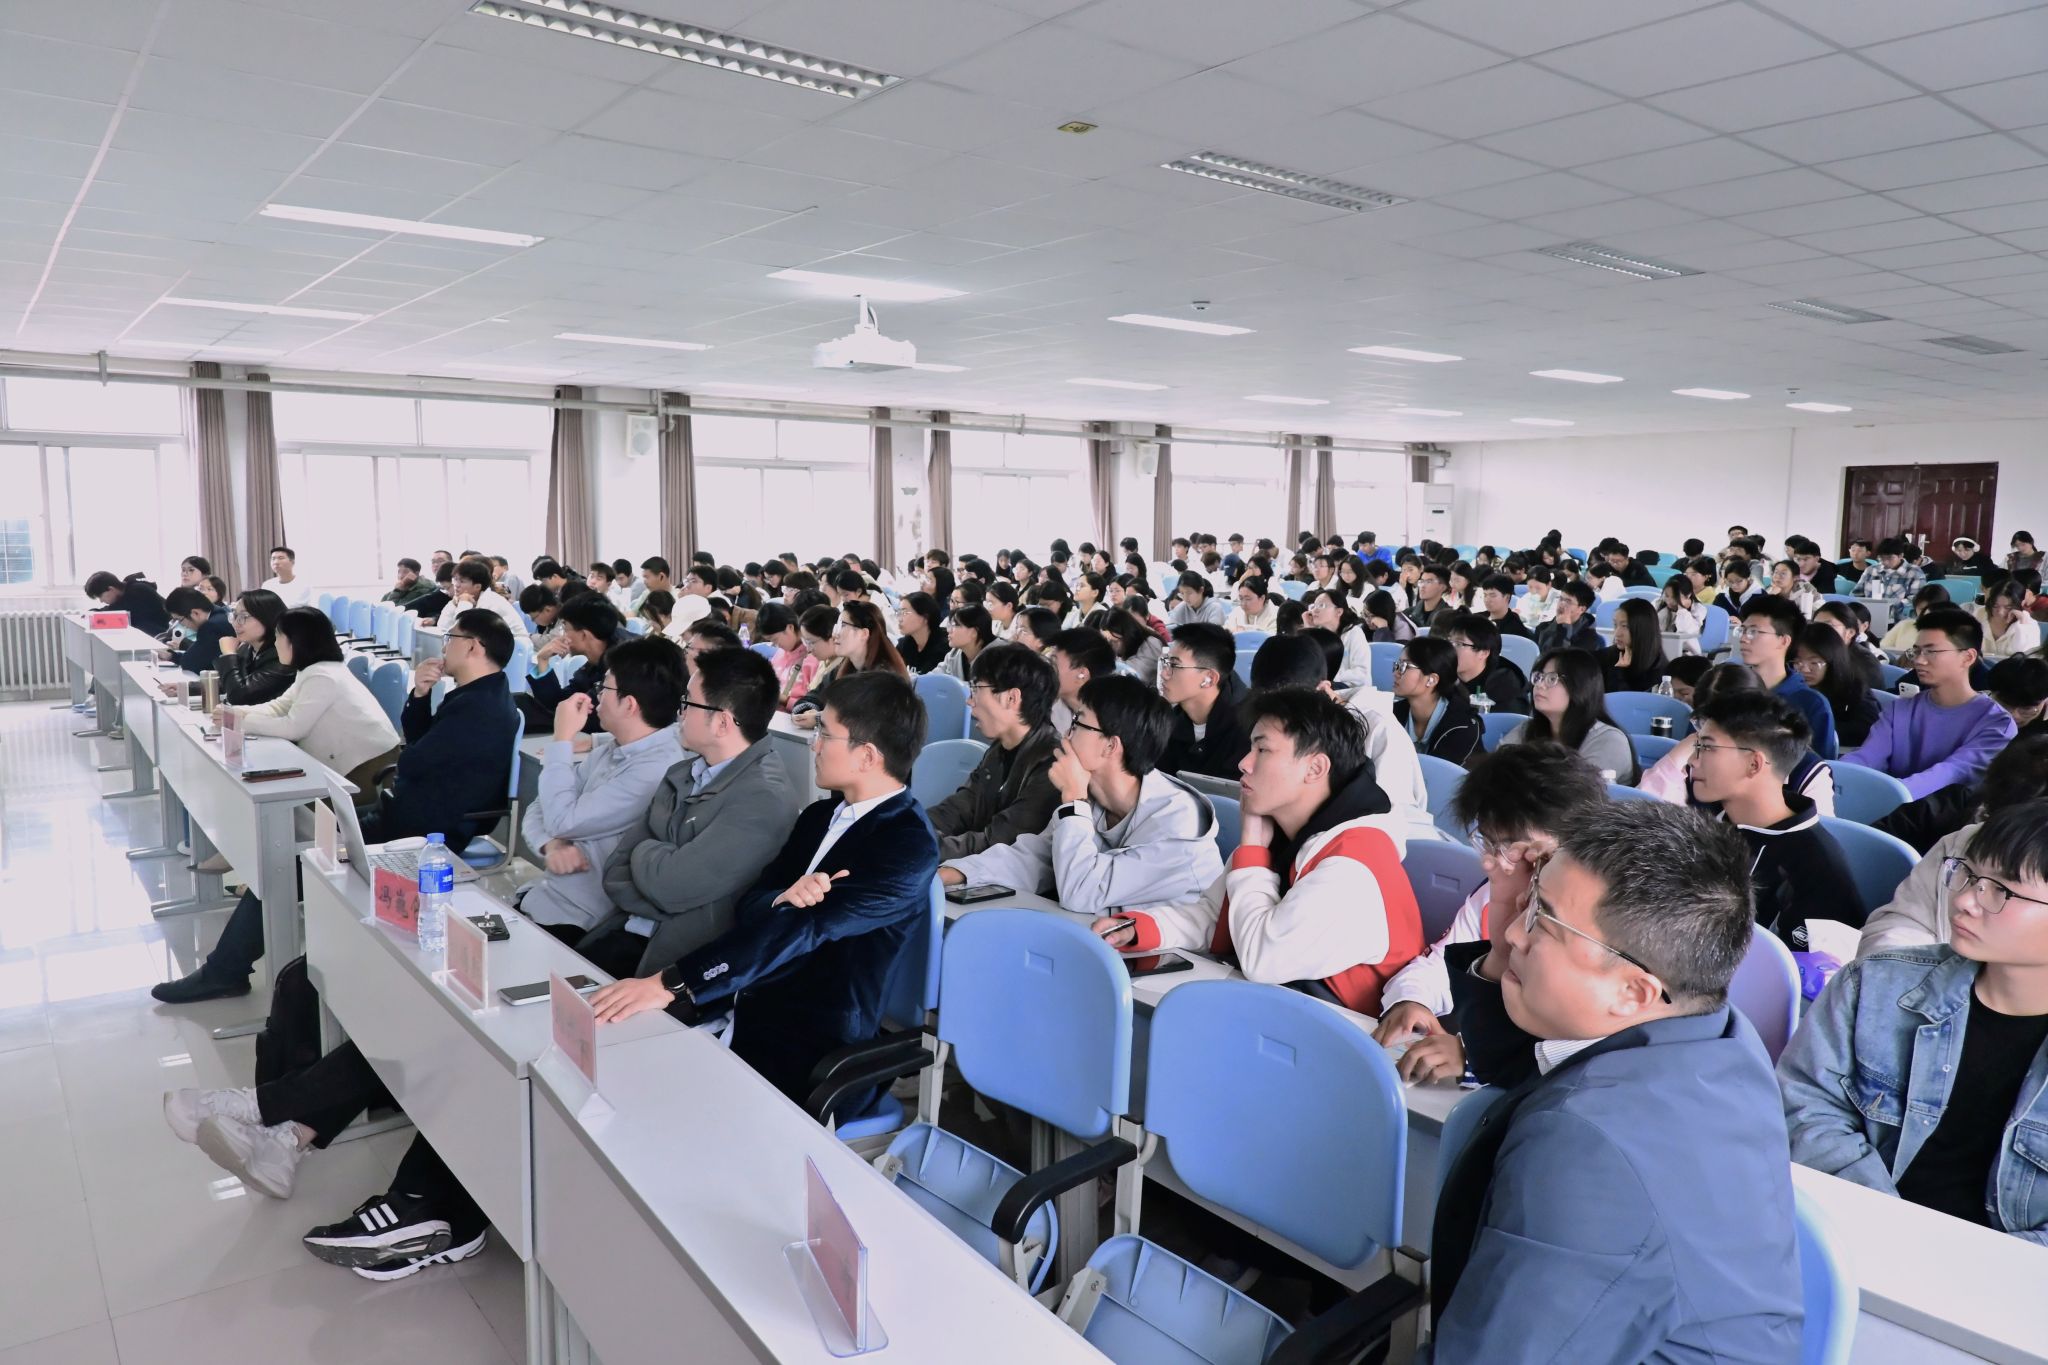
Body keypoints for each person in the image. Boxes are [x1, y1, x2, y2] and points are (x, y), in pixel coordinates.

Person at [1423, 803, 1804, 1360]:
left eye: (1542, 921)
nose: (1511, 932)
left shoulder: (1587, 1147)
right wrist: (1514, 905)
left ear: (1632, 991)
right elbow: (1515, 1061)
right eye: (1531, 903)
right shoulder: (1714, 1032)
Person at [589, 671, 941, 1117]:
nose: (813, 745)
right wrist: (780, 900)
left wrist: (675, 982)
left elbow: (803, 929)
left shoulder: (905, 845)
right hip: (741, 1004)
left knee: (655, 1107)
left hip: (810, 1042)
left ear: (867, 756)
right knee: (610, 1060)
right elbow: (753, 904)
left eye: (825, 734)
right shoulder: (819, 816)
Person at [1784, 799, 2048, 1243]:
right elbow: (1807, 1106)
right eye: (1969, 874)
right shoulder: (1875, 986)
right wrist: (1895, 1232)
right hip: (1852, 1235)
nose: (1964, 901)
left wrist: (1962, 1264)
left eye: (2001, 890)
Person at [1094, 688, 1424, 1014]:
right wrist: (1142, 928)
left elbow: (1262, 959)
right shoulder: (1287, 831)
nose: (1244, 763)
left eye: (1263, 750)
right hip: (1288, 1012)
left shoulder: (1352, 866)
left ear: (1315, 769)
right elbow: (1218, 915)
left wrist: (1252, 848)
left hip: (1345, 1033)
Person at [1374, 740, 1610, 1080]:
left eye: (1519, 849)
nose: (1498, 863)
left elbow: (1575, 1044)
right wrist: (1412, 1001)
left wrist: (1472, 1056)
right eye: (1488, 842)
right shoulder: (1496, 891)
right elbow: (1436, 965)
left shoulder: (1599, 924)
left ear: (1575, 844)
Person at [939, 674, 1222, 914]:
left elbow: (1082, 892)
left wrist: (1074, 800)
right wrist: (954, 874)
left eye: (1077, 723)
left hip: (1175, 956)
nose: (1065, 735)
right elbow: (1036, 858)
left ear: (1110, 746)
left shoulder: (1177, 822)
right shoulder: (1095, 797)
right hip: (1102, 938)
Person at [513, 637, 688, 939]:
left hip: (579, 920)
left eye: (603, 688)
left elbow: (561, 819)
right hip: (545, 896)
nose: (597, 696)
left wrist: (562, 740)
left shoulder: (654, 770)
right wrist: (550, 843)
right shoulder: (615, 747)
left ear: (629, 705)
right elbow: (540, 806)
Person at [1685, 691, 1863, 953]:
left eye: (1707, 748)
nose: (1692, 760)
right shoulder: (1710, 824)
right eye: (1697, 747)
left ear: (1754, 764)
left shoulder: (1817, 869)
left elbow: (1815, 971)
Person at [1842, 607, 2018, 799]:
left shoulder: (1996, 723)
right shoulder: (1900, 709)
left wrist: (1889, 793)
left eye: (1931, 651)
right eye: (1917, 651)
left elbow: (1953, 772)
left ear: (1968, 657)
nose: (1919, 660)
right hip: (1889, 805)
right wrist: (1831, 774)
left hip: (1948, 816)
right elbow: (1867, 756)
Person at [926, 644, 1061, 860]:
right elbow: (961, 807)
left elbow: (1000, 842)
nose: (969, 701)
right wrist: (913, 827)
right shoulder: (1000, 749)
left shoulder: (1052, 764)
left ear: (1011, 698)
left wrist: (924, 847)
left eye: (976, 689)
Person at [1501, 648, 1635, 782]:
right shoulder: (1527, 729)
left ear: (1580, 687)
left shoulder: (1610, 740)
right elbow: (1496, 769)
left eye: (1551, 679)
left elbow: (1577, 791)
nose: (1540, 685)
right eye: (1539, 677)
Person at [1735, 595, 1839, 759]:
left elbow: (1821, 767)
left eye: (1753, 632)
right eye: (1743, 630)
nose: (1743, 639)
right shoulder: (1731, 689)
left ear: (1783, 641)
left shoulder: (1811, 703)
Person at [520, 595, 629, 733]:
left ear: (584, 635)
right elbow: (558, 702)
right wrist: (542, 660)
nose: (562, 636)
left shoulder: (624, 664)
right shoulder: (594, 662)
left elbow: (588, 718)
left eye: (565, 629)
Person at [1156, 623, 1251, 779]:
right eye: (1166, 663)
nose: (1164, 674)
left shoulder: (1250, 727)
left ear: (1209, 679)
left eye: (1174, 665)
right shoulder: (1170, 721)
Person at [789, 601, 907, 726]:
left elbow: (864, 720)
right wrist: (807, 712)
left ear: (863, 634)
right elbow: (815, 695)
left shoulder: (885, 677)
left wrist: (820, 718)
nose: (835, 634)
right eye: (837, 625)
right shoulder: (845, 667)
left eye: (843, 626)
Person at [1391, 636, 1481, 764]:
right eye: (1398, 665)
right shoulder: (1390, 713)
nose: (1396, 673)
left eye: (1405, 666)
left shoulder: (1463, 726)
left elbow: (1444, 774)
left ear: (1432, 679)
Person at [1792, 622, 1881, 750]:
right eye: (1797, 662)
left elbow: (1866, 728)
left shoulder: (1853, 687)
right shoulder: (1787, 687)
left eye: (1814, 662)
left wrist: (1813, 729)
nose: (1804, 669)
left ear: (1833, 662)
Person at [213, 590, 294, 705]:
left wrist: (229, 654)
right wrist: (190, 686)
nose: (235, 624)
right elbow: (227, 684)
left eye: (243, 617)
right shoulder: (247, 648)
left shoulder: (283, 655)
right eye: (235, 616)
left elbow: (239, 696)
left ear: (267, 616)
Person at [436, 558, 529, 643]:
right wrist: (453, 604)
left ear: (477, 587)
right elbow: (443, 629)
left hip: (515, 648)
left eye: (462, 581)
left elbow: (463, 632)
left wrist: (464, 603)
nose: (456, 585)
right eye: (455, 579)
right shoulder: (465, 599)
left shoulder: (490, 602)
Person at [1599, 598, 1669, 695]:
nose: (1617, 633)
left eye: (1625, 626)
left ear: (1643, 629)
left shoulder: (1660, 669)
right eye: (1615, 625)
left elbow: (1625, 701)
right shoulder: (1605, 656)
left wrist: (1618, 671)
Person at [162, 586, 235, 673]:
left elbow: (190, 663)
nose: (181, 625)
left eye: (179, 620)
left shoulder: (211, 627)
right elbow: (198, 656)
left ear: (195, 613)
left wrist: (173, 656)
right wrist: (171, 656)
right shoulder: (218, 614)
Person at [83, 569, 171, 636]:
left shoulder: (137, 591)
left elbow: (114, 612)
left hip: (164, 636)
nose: (101, 601)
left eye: (100, 596)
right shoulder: (128, 591)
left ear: (111, 589)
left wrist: (93, 614)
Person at [1974, 577, 2042, 659]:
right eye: (1995, 606)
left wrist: (2022, 625)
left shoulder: (2030, 625)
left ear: (2021, 603)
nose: (2000, 612)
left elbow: (2024, 658)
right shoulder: (1979, 614)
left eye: (2008, 607)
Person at [1532, 580, 1600, 654]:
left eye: (1568, 601)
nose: (1561, 604)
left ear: (1582, 609)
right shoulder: (1542, 627)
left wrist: (1564, 628)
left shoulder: (1589, 637)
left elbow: (1560, 658)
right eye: (1561, 599)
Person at [1855, 537, 1926, 606]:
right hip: (1868, 612)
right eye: (1881, 558)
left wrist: (1890, 606)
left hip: (1899, 613)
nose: (1885, 562)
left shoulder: (1914, 573)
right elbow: (1856, 594)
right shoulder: (1871, 570)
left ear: (1901, 556)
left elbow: (1915, 601)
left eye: (1890, 558)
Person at [893, 591, 948, 674]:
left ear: (925, 617)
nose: (899, 619)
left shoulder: (943, 646)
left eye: (905, 613)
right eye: (899, 613)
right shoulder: (904, 644)